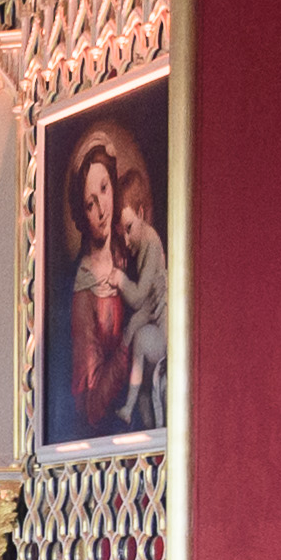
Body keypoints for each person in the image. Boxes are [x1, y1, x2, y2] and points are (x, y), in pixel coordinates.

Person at [59, 126, 166, 439]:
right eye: (90, 204)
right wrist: (125, 349)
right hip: (112, 434)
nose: (102, 209)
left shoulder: (130, 247)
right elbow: (90, 406)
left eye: (104, 189)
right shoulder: (85, 293)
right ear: (82, 214)